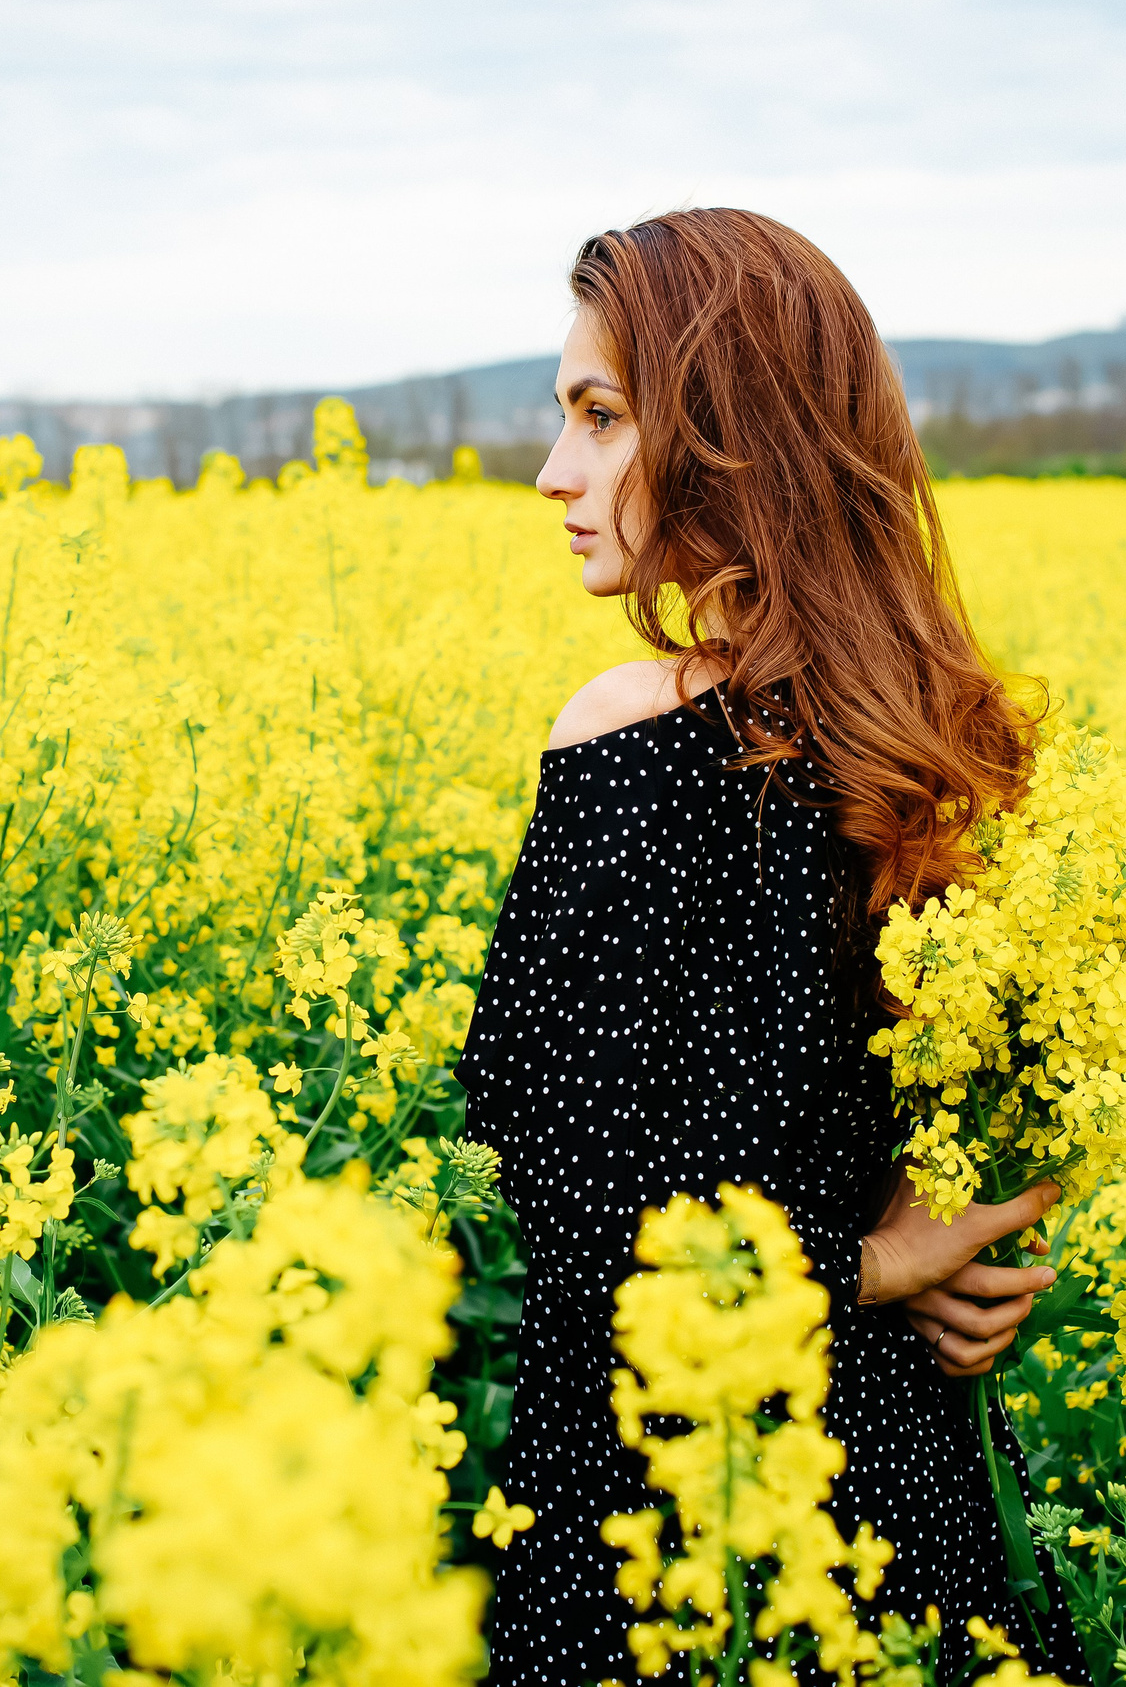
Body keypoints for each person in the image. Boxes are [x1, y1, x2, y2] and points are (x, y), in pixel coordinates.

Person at [455, 208, 1084, 1685]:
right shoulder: (948, 752)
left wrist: (919, 1251)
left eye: (601, 417)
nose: (555, 471)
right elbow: (1010, 1122)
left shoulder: (628, 739)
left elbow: (551, 1224)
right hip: (899, 1508)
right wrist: (965, 1251)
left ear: (738, 437)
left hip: (656, 1522)